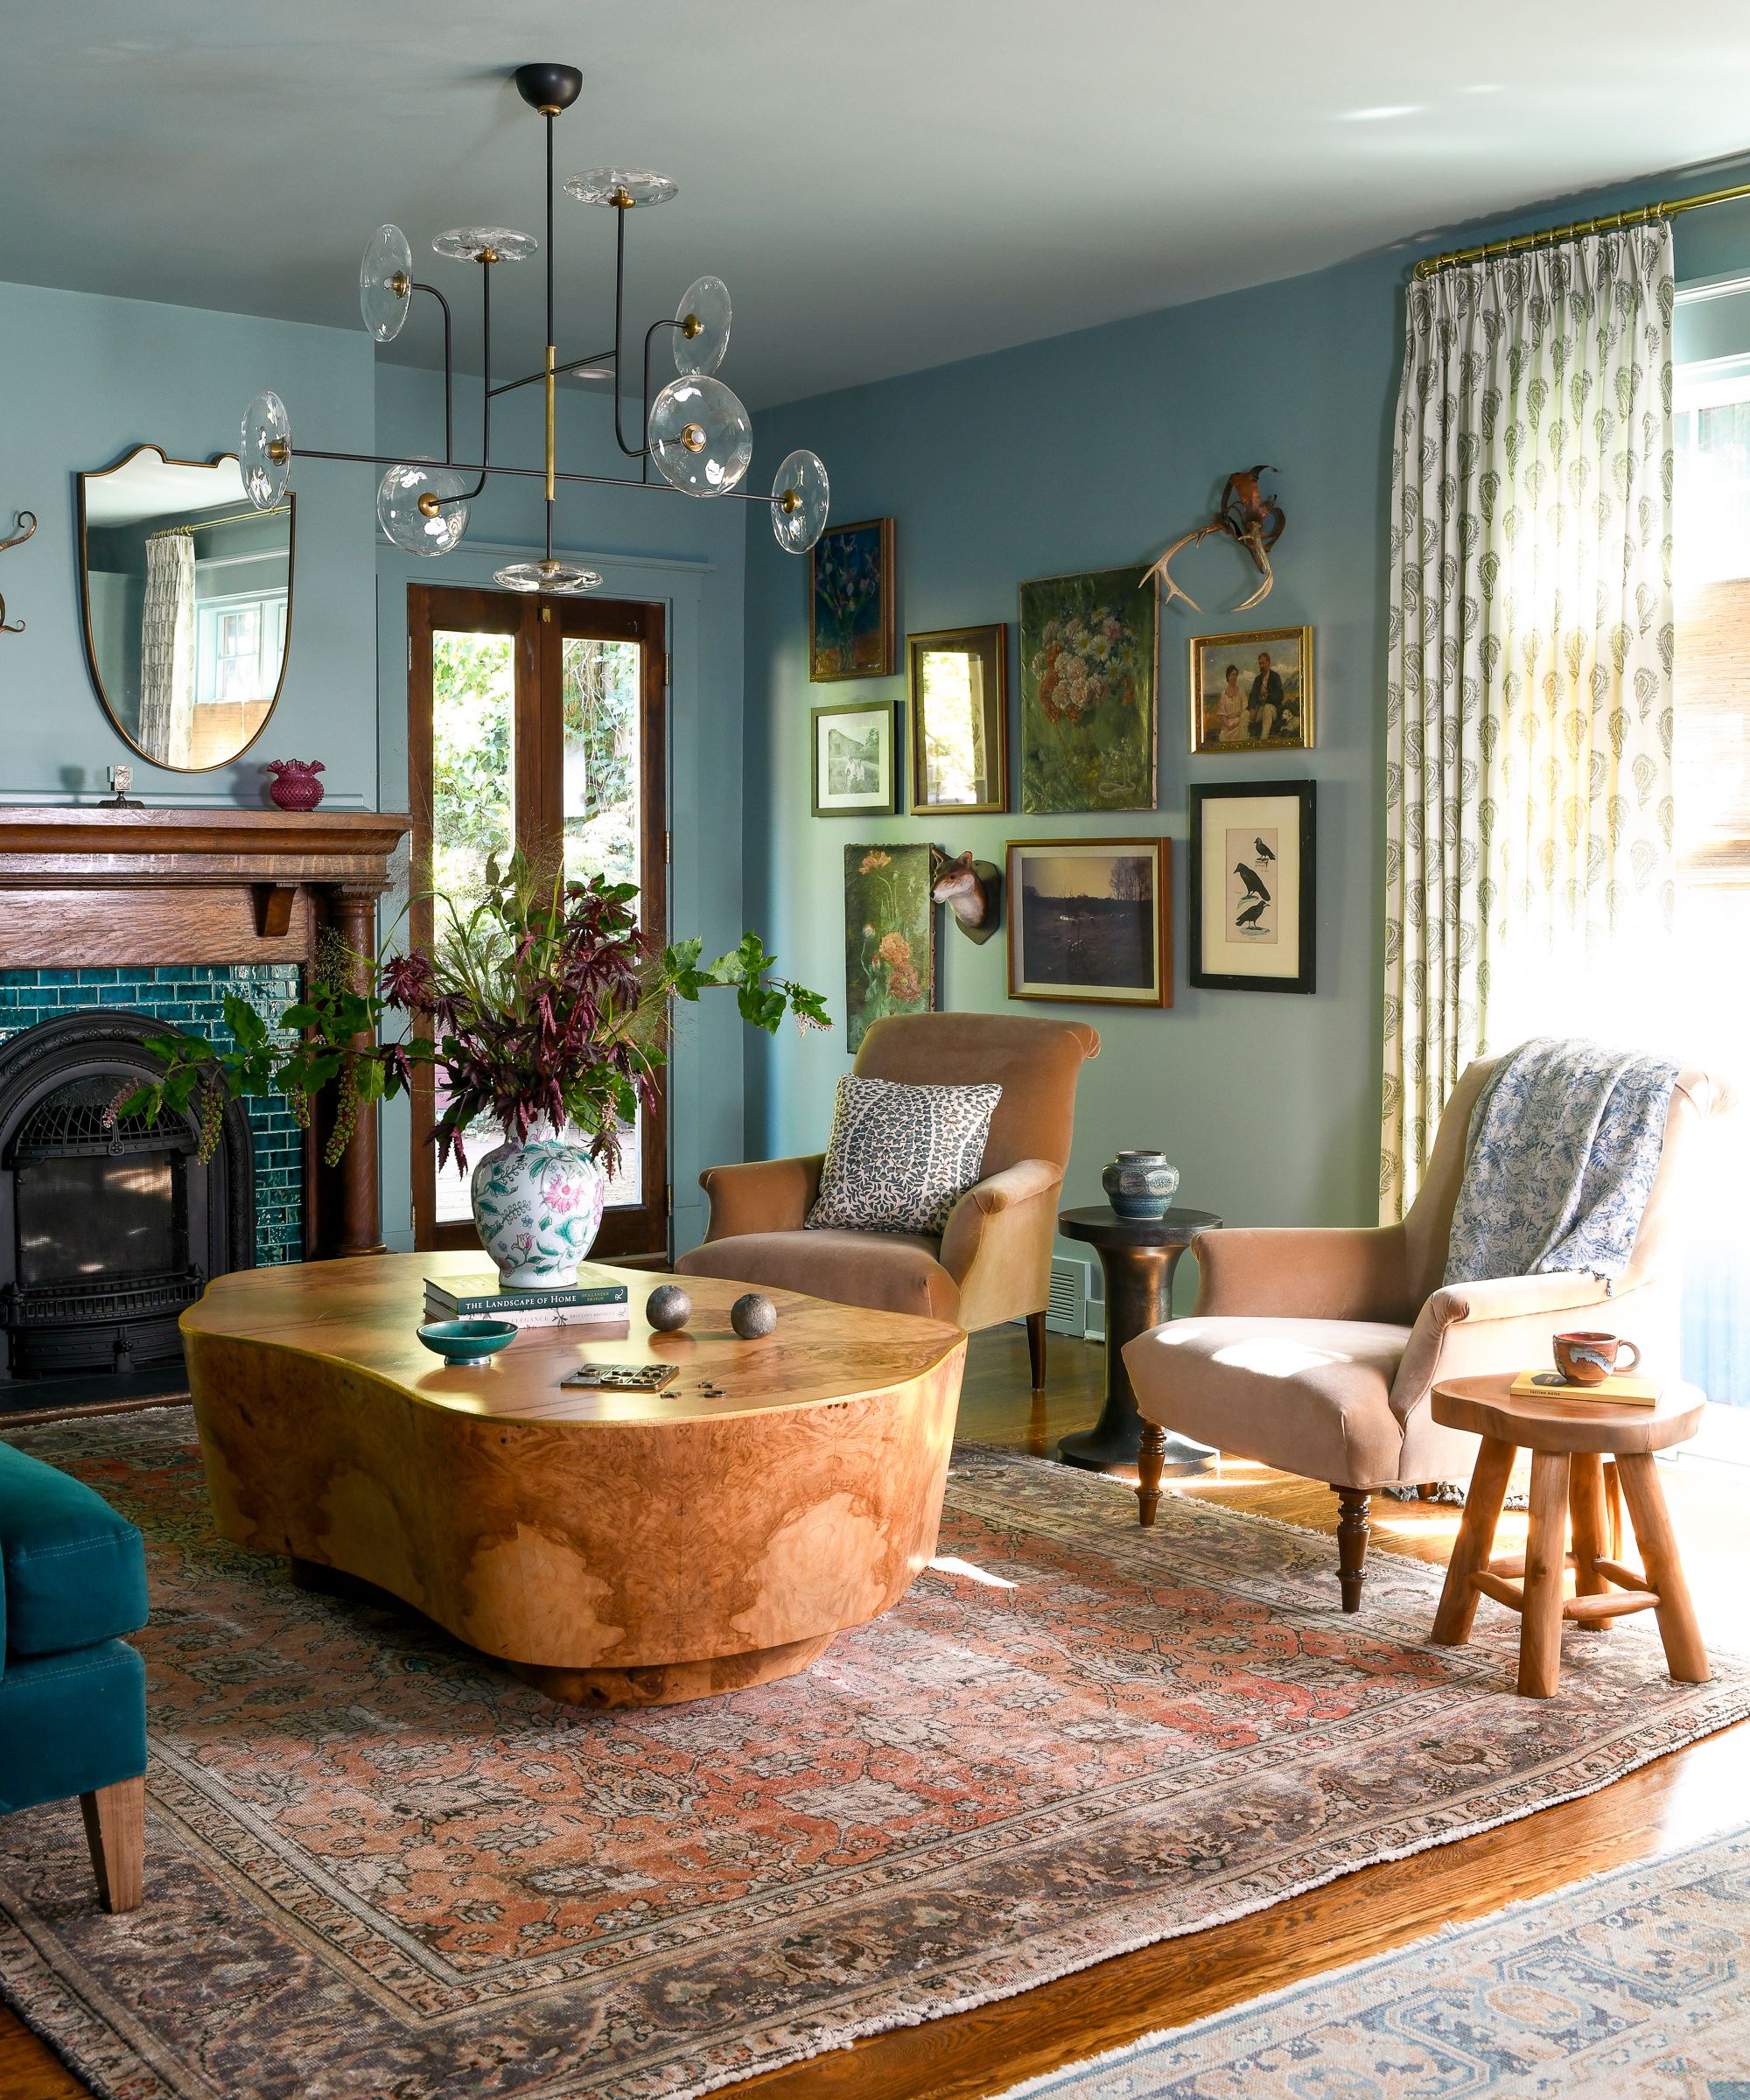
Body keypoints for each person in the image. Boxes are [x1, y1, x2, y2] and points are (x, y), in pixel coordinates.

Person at [1249, 651, 1284, 741]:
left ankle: (1263, 740)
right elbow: (1252, 695)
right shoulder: (1257, 679)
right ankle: (1243, 743)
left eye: (1263, 663)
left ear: (1269, 663)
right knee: (1244, 715)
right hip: (1259, 709)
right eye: (1260, 663)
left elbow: (1280, 696)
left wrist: (1267, 694)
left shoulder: (1275, 677)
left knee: (1267, 708)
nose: (1261, 666)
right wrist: (1252, 708)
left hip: (1272, 709)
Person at [1214, 662, 1247, 744]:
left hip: (1240, 722)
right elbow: (1222, 713)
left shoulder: (1241, 691)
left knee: (1241, 734)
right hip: (1227, 724)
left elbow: (1245, 710)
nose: (1235, 677)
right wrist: (1228, 726)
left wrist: (1239, 722)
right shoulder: (1223, 694)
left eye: (1236, 675)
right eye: (1232, 675)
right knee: (1223, 737)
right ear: (1228, 677)